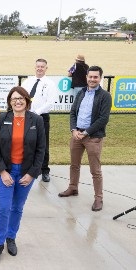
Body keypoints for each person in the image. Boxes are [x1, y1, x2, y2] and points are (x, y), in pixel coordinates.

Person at [0, 86, 45, 264]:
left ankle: (10, 238)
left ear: (27, 101)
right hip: (6, 170)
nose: (18, 101)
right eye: (14, 99)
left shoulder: (36, 120)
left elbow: (41, 150)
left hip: (26, 173)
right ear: (9, 102)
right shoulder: (2, 118)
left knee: (17, 208)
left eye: (21, 98)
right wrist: (2, 171)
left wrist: (32, 174)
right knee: (4, 208)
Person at [58, 66, 111, 212]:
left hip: (93, 137)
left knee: (95, 170)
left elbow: (103, 119)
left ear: (100, 78)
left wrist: (86, 132)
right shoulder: (81, 92)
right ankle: (73, 188)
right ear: (86, 77)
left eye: (96, 77)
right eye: (90, 77)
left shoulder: (105, 96)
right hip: (77, 135)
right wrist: (74, 129)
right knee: (74, 165)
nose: (92, 79)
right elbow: (73, 113)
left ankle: (98, 198)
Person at [21, 58, 57, 182]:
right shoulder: (27, 81)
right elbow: (21, 97)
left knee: (43, 144)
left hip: (41, 117)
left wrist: (35, 113)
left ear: (46, 68)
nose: (40, 68)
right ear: (35, 67)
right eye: (38, 66)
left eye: (42, 67)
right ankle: (26, 168)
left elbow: (50, 103)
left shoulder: (50, 83)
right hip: (26, 116)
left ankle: (45, 170)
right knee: (25, 142)